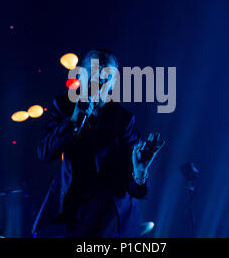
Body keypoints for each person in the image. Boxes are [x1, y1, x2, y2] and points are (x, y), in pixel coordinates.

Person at [32, 49, 165, 237]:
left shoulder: (124, 120)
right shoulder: (63, 106)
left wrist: (140, 172)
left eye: (107, 75)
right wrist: (73, 120)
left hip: (107, 209)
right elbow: (44, 153)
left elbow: (136, 189)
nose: (100, 80)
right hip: (69, 204)